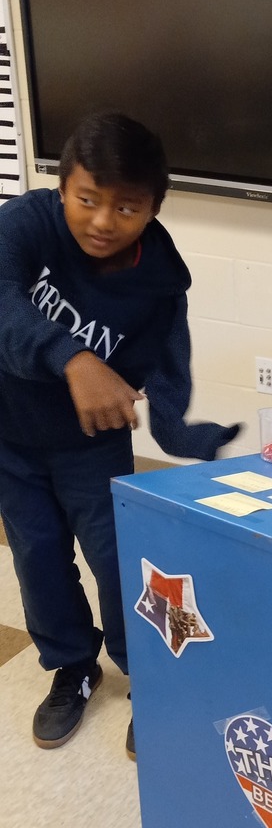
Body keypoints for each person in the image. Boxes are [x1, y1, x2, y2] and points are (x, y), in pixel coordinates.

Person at [0, 112, 239, 755]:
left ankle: (152, 678)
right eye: (87, 199)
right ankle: (71, 667)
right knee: (37, 558)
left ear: (156, 206)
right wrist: (73, 360)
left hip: (90, 446)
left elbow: (166, 363)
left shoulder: (160, 278)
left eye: (127, 207)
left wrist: (180, 430)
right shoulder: (25, 223)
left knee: (121, 564)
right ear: (61, 186)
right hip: (11, 437)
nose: (103, 220)